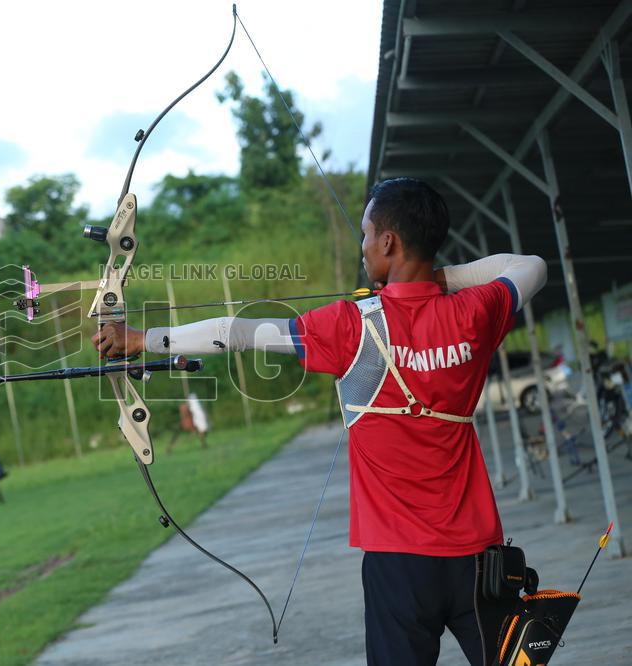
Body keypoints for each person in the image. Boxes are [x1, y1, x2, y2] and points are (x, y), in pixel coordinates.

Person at [93, 177, 547, 666]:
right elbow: (530, 266)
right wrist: (437, 280)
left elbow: (235, 332)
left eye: (368, 233)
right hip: (479, 556)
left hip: (398, 563)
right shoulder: (477, 311)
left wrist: (141, 339)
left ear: (389, 242)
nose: (364, 244)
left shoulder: (351, 325)